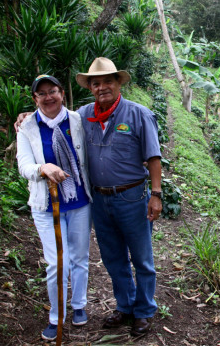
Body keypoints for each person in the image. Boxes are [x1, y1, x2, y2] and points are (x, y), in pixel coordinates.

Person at [75, 57, 163, 336]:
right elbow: (54, 122)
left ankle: (144, 310)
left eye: (107, 81)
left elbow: (153, 157)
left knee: (141, 258)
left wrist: (157, 194)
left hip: (133, 198)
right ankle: (125, 307)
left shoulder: (139, 114)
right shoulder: (83, 116)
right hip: (99, 201)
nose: (102, 87)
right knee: (113, 258)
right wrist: (27, 116)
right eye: (96, 83)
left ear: (118, 83)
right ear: (90, 87)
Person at [16, 75, 93, 341]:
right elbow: (24, 165)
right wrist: (42, 168)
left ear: (62, 93)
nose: (48, 97)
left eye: (53, 91)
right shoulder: (26, 127)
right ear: (34, 99)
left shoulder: (77, 120)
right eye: (42, 94)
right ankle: (56, 316)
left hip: (79, 201)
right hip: (46, 206)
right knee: (57, 264)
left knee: (79, 258)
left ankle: (79, 305)